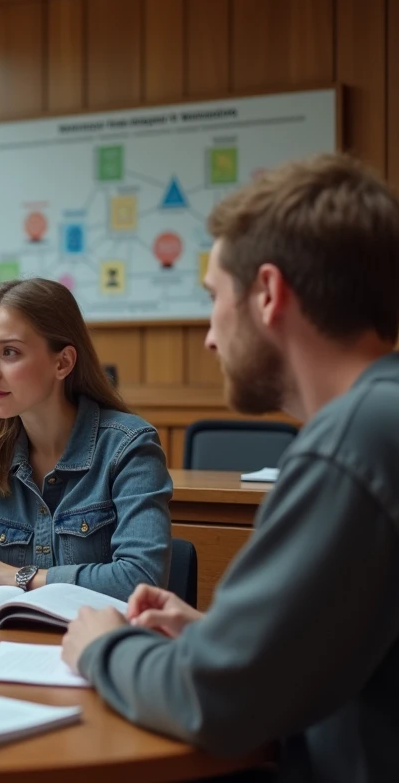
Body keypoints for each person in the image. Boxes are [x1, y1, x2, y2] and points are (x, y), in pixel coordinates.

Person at [62, 153, 399, 782]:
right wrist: (220, 635)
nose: (211, 337)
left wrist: (103, 648)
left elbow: (215, 702)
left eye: (215, 296)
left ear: (268, 294)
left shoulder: (353, 443)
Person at [0, 278, 171, 600]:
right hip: (10, 638)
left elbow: (142, 579)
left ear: (63, 362)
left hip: (96, 642)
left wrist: (23, 577)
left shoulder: (129, 446)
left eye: (9, 352)